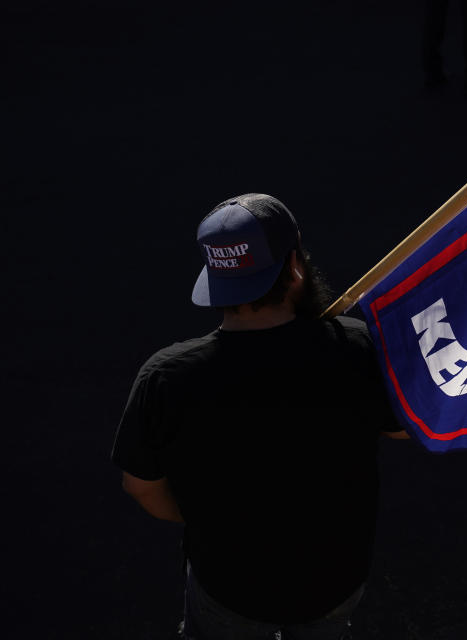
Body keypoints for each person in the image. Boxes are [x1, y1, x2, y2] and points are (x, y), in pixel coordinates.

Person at [111, 193, 407, 639]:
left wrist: (206, 518)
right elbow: (405, 428)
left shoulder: (167, 377)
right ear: (294, 268)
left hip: (229, 586)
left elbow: (141, 486)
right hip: (335, 580)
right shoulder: (356, 347)